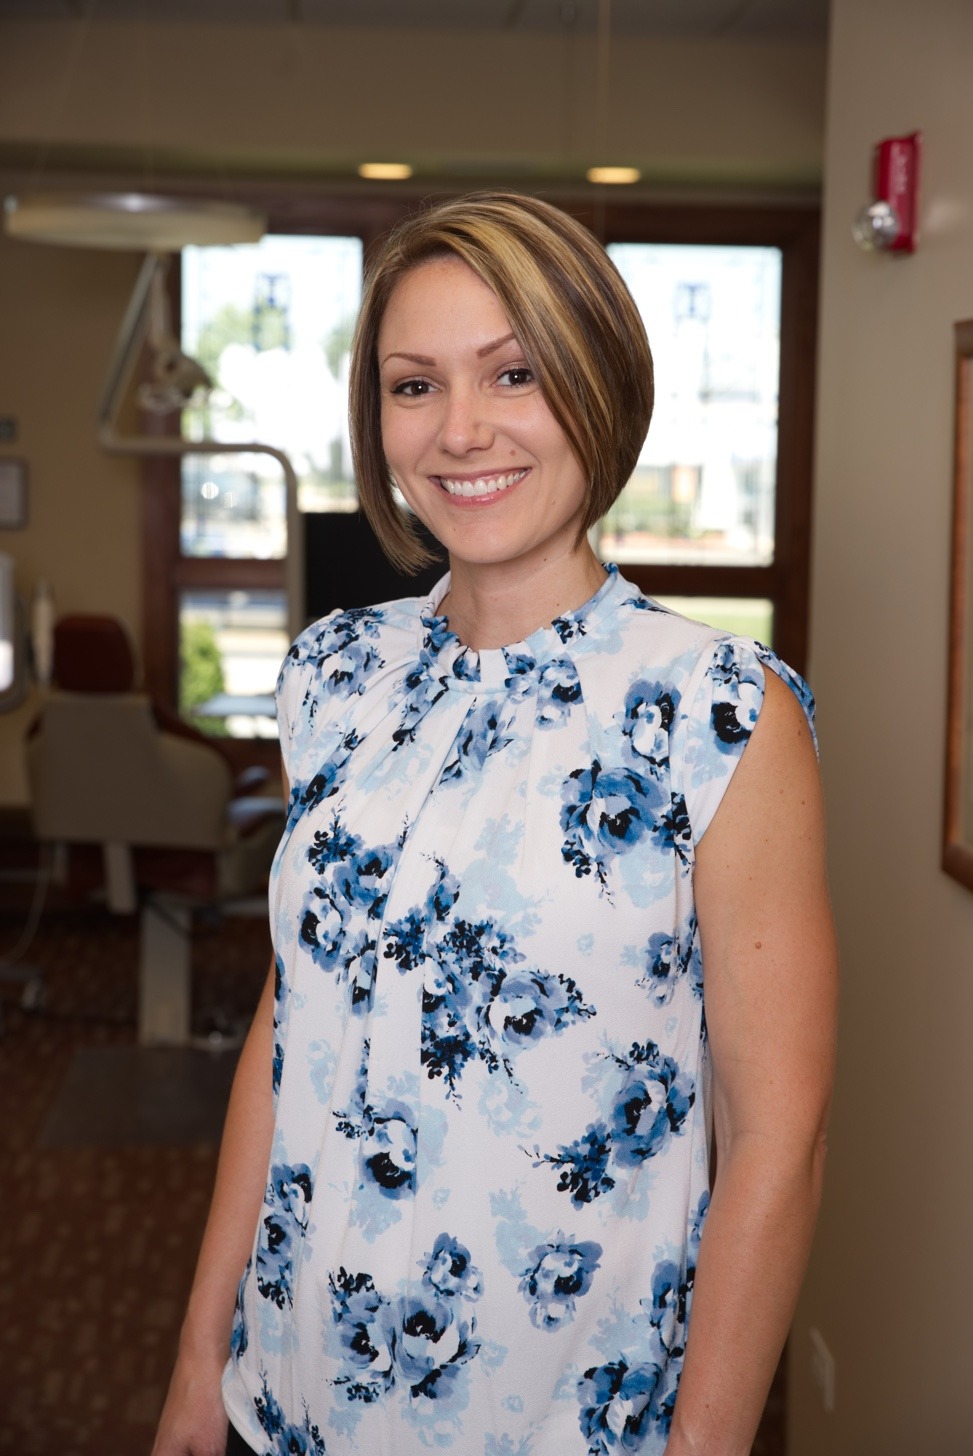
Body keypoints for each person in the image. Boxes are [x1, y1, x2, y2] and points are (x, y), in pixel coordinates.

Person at [152, 192, 837, 1456]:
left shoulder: (718, 715)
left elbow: (775, 1139)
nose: (458, 430)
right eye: (414, 387)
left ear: (598, 384)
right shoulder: (335, 674)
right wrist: (203, 1354)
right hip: (286, 1396)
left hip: (559, 1425)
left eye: (513, 373)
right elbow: (287, 1022)